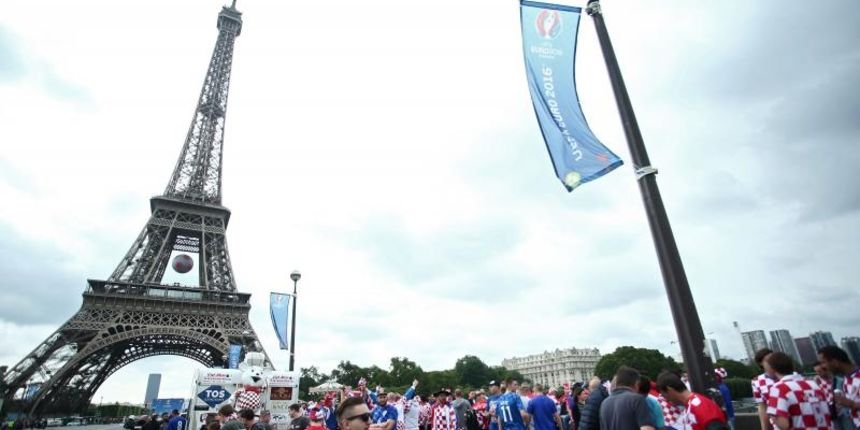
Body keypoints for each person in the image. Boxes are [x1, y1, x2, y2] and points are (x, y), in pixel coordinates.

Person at [764, 351, 830, 430]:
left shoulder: (778, 388)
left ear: (772, 369)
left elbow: (784, 424)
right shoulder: (813, 384)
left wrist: (772, 416)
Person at [656, 371, 726, 430]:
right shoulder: (690, 405)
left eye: (664, 395)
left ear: (670, 390)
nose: (667, 400)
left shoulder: (700, 405)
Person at [818, 345, 859, 430]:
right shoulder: (846, 379)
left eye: (823, 362)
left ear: (835, 362)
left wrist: (853, 404)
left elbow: (853, 404)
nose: (822, 367)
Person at [751, 348, 776, 430]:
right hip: (775, 423)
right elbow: (762, 407)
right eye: (768, 360)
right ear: (761, 363)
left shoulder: (788, 376)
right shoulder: (757, 381)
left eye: (774, 359)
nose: (772, 362)